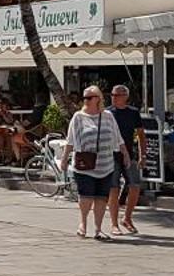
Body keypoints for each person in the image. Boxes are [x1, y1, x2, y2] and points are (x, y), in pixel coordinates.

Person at [59, 85, 124, 239]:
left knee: (101, 197)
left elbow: (117, 136)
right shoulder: (78, 117)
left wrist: (125, 153)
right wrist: (64, 159)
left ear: (98, 99)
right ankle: (83, 223)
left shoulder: (108, 116)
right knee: (86, 196)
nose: (86, 101)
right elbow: (71, 140)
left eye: (89, 98)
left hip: (106, 164)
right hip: (85, 164)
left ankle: (98, 228)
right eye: (84, 98)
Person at [107, 83, 144, 234]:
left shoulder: (133, 113)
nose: (114, 98)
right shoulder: (107, 113)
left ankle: (127, 218)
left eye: (117, 95)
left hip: (130, 153)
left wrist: (143, 155)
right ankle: (114, 223)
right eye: (112, 95)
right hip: (112, 155)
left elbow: (141, 134)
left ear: (125, 97)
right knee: (113, 188)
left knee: (135, 186)